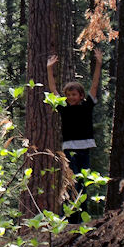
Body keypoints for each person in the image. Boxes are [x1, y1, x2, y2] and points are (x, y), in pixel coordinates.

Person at [47, 48, 102, 220]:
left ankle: (82, 217)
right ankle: (70, 218)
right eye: (68, 95)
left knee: (83, 183)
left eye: (74, 94)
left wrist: (99, 63)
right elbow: (53, 89)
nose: (71, 97)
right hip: (69, 150)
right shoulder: (63, 108)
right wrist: (49, 68)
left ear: (81, 95)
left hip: (85, 149)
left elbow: (94, 85)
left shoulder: (87, 106)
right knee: (72, 182)